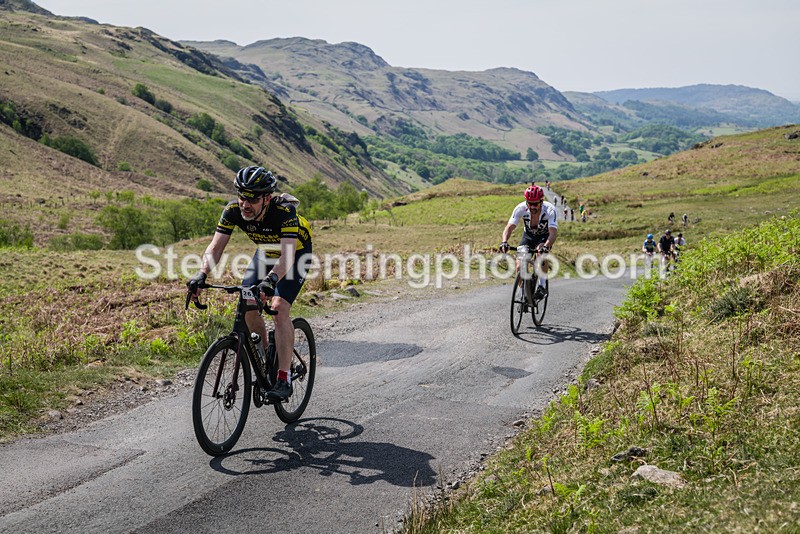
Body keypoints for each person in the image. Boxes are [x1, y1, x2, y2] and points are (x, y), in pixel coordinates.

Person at [187, 166, 313, 401]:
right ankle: (267, 360)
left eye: (252, 198)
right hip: (266, 252)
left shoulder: (284, 212)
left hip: (295, 254)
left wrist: (271, 281)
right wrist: (201, 274)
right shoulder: (233, 210)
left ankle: (284, 378)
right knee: (248, 304)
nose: (245, 203)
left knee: (278, 308)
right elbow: (216, 247)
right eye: (242, 196)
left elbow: (286, 257)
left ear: (267, 198)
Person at [499, 184, 558, 300]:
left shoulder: (550, 210)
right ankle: (523, 293)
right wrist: (504, 241)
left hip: (544, 237)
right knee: (519, 265)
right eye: (530, 204)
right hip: (528, 236)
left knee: (541, 254)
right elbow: (509, 227)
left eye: (535, 204)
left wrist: (546, 246)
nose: (532, 207)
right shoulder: (520, 208)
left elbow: (553, 233)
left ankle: (542, 286)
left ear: (541, 201)